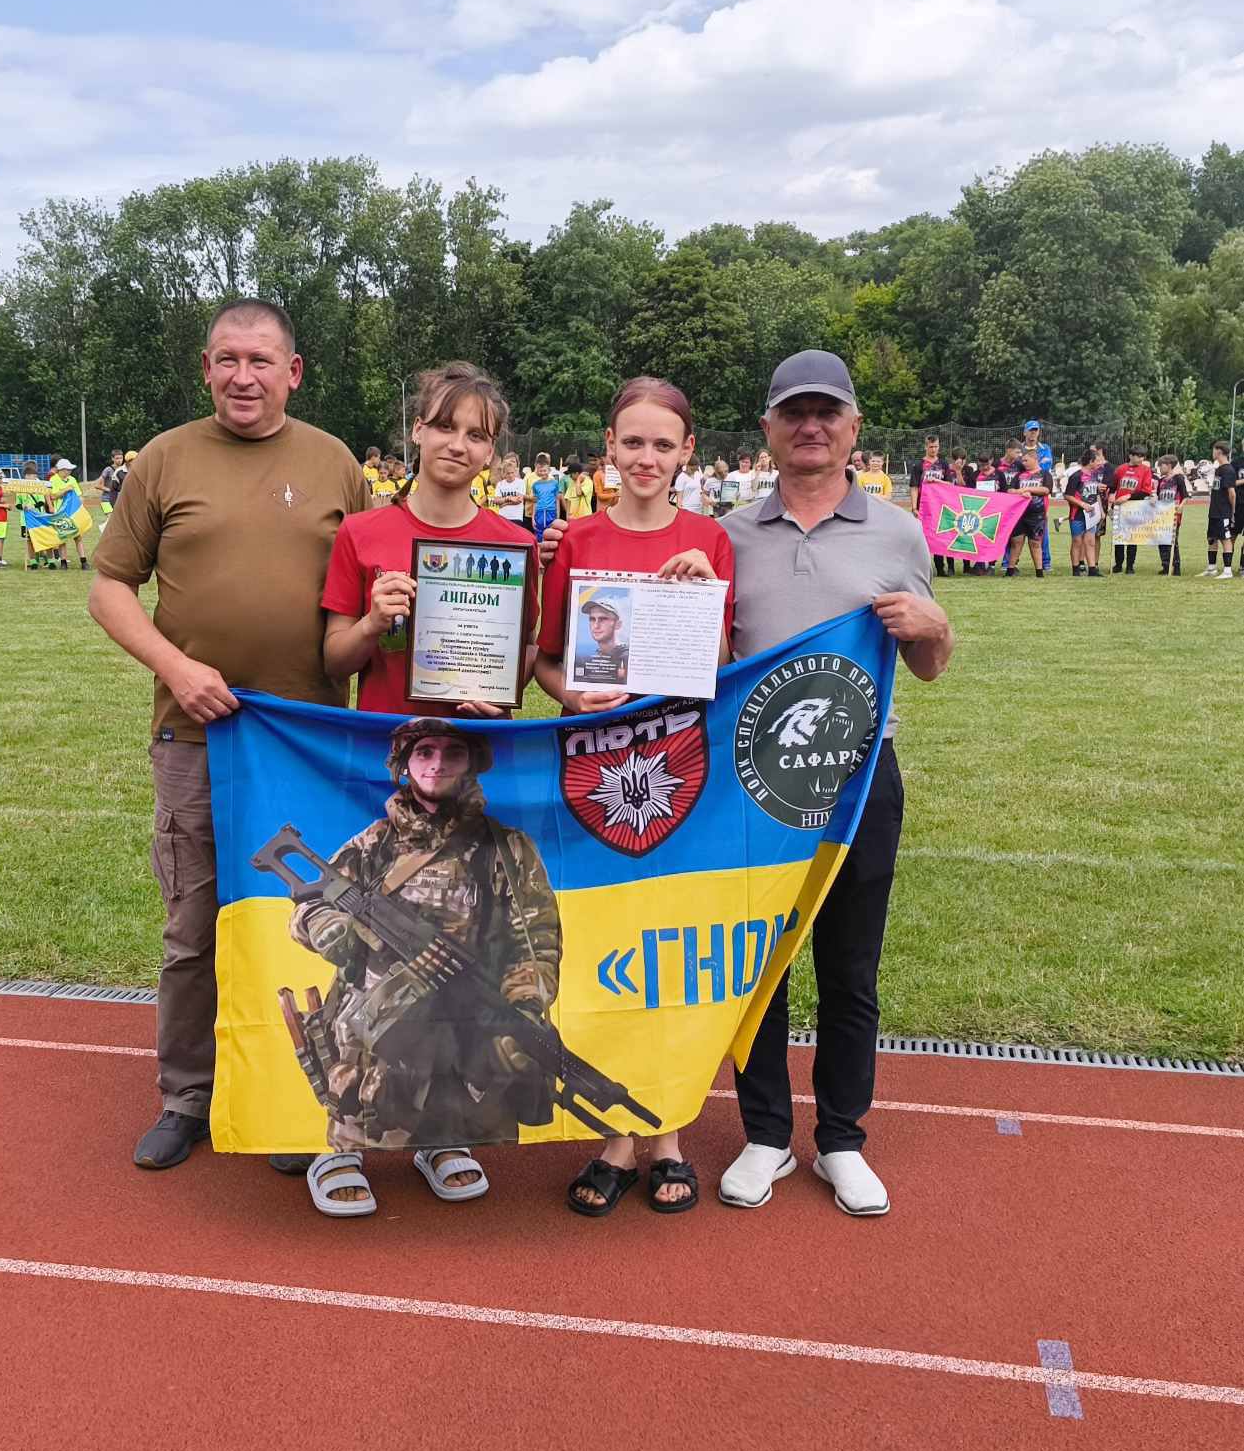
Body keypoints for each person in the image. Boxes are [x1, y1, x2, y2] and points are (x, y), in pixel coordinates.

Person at [88, 296, 370, 1173]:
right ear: (206, 367)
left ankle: (287, 1095)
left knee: (307, 922)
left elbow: (377, 585)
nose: (243, 377)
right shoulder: (164, 459)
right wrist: (176, 667)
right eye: (227, 359)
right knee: (194, 927)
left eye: (260, 361)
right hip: (195, 735)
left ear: (293, 371)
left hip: (309, 744)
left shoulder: (335, 463)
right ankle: (188, 1094)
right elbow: (108, 588)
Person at [718, 349, 952, 1219]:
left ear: (854, 427)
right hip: (752, 780)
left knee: (849, 965)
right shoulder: (727, 534)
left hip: (860, 776)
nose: (810, 426)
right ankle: (766, 1133)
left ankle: (842, 1138)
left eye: (826, 412)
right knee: (758, 963)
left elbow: (925, 665)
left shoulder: (896, 532)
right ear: (768, 428)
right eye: (793, 412)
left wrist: (935, 626)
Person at [535, 375, 734, 1216]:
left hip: (680, 772)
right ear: (608, 447)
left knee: (669, 954)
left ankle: (668, 1135)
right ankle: (617, 1133)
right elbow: (545, 658)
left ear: (686, 452)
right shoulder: (574, 538)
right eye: (632, 441)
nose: (645, 457)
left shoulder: (709, 538)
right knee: (602, 948)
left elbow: (721, 668)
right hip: (592, 771)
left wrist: (702, 594)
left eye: (662, 443)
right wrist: (569, 693)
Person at [289, 719, 562, 1217]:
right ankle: (343, 1150)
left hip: (465, 1006)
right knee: (363, 1074)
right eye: (424, 752)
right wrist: (327, 926)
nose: (437, 764)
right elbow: (310, 903)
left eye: (453, 752)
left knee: (477, 1061)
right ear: (404, 764)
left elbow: (536, 938)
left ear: (473, 762)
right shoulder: (374, 844)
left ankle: (442, 1141)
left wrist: (523, 1006)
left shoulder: (507, 849)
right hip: (373, 1013)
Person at [321, 361, 538, 720]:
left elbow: (528, 649)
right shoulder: (359, 532)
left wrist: (504, 688)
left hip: (480, 743)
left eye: (475, 435)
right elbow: (334, 662)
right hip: (387, 744)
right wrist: (372, 624)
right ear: (418, 430)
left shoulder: (517, 545)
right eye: (445, 426)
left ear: (489, 452)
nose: (457, 445)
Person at [909, 433, 954, 576]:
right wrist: (914, 507)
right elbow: (914, 487)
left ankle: (941, 568)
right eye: (931, 447)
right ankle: (923, 569)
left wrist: (937, 481)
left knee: (940, 536)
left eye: (936, 446)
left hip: (941, 506)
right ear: (925, 447)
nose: (934, 449)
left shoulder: (943, 464)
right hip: (924, 506)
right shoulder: (918, 465)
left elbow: (950, 484)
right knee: (923, 538)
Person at [1003, 447, 1050, 577]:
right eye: (1022, 461)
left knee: (1035, 542)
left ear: (1035, 459)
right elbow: (1010, 490)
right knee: (1016, 541)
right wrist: (1020, 492)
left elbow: (1046, 490)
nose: (1023, 463)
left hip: (1036, 514)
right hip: (1019, 513)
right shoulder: (1019, 475)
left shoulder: (1044, 474)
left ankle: (1039, 572)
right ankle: (1010, 570)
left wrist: (1028, 489)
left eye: (1026, 460)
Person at [1109, 449, 1154, 575]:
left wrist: (1128, 496)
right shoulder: (1120, 469)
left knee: (1132, 538)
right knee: (1119, 537)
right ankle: (1118, 564)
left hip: (1135, 507)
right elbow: (1113, 485)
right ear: (1130, 456)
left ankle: (1130, 566)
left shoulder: (1145, 470)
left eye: (1142, 456)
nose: (1141, 459)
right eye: (1138, 456)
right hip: (1119, 507)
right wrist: (1112, 496)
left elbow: (1146, 491)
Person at [1063, 451, 1104, 577]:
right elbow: (1068, 495)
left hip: (1091, 514)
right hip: (1077, 515)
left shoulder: (1094, 475)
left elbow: (1096, 494)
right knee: (1077, 541)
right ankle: (1075, 569)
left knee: (1090, 541)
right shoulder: (1076, 476)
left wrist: (1101, 510)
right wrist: (1082, 504)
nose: (1100, 463)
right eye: (1097, 461)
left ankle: (1092, 569)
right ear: (1091, 461)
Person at [1021, 420, 1055, 571]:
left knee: (1042, 528)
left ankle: (1045, 562)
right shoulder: (1019, 448)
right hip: (1022, 492)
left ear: (1039, 432)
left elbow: (1045, 467)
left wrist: (1030, 466)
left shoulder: (1045, 448)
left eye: (1036, 430)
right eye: (1031, 430)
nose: (1033, 433)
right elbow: (1018, 467)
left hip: (1040, 493)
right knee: (1016, 529)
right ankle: (1009, 563)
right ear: (1025, 432)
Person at [1201, 442, 1236, 577]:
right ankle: (1211, 568)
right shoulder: (1219, 469)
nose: (1212, 452)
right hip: (1214, 511)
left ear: (1219, 452)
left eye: (1214, 450)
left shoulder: (1228, 470)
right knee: (1211, 538)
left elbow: (1232, 493)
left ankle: (1227, 570)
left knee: (1225, 538)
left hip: (1223, 511)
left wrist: (1232, 511)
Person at [48, 459, 89, 571]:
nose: (70, 471)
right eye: (68, 469)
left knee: (78, 537)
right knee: (62, 538)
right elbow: (53, 496)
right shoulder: (53, 480)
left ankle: (84, 561)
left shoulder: (72, 479)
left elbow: (79, 495)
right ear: (61, 470)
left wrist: (81, 504)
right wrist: (66, 489)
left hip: (73, 513)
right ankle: (63, 562)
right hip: (60, 513)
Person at [1154, 454, 1187, 575]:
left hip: (1173, 515)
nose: (1159, 468)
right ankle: (1166, 565)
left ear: (1168, 466)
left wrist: (1181, 506)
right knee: (1162, 540)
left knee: (1173, 541)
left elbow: (1185, 496)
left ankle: (1176, 567)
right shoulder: (1161, 481)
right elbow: (1158, 496)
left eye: (1161, 465)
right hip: (1162, 514)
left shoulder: (1178, 478)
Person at [526, 453, 562, 541]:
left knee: (551, 534)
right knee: (539, 534)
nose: (543, 473)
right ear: (537, 471)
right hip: (539, 512)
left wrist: (558, 515)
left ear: (549, 470)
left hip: (551, 511)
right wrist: (533, 518)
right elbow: (535, 501)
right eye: (540, 471)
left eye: (544, 471)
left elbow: (557, 500)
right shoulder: (535, 485)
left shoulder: (554, 483)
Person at [493, 452, 528, 531]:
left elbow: (519, 500)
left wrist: (504, 503)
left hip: (516, 517)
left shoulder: (520, 482)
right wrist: (508, 498)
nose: (511, 475)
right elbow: (496, 500)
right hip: (503, 517)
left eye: (512, 473)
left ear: (515, 471)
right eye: (508, 473)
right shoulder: (500, 484)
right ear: (504, 473)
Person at [97, 450, 126, 522]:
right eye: (117, 458)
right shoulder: (108, 470)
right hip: (106, 500)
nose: (119, 460)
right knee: (111, 520)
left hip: (118, 500)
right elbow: (98, 485)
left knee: (118, 521)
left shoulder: (124, 470)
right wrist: (111, 490)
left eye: (121, 458)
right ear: (112, 459)